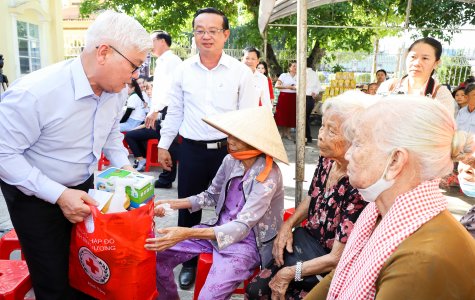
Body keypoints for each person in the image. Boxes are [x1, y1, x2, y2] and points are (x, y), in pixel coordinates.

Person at [0, 11, 151, 299]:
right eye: (134, 66)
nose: (135, 77)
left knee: (87, 273)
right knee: (54, 282)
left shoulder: (116, 91)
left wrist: (127, 173)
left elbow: (110, 135)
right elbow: (4, 155)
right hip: (34, 195)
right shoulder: (36, 93)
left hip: (83, 189)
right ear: (104, 52)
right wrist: (58, 194)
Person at [306, 95, 475, 300]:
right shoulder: (378, 212)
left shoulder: (424, 258)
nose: (349, 154)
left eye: (358, 144)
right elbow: (345, 272)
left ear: (395, 161)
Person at [157, 7, 259, 289]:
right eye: (200, 31)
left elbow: (248, 115)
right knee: (189, 207)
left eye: (213, 31)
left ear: (225, 34)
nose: (206, 36)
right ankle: (188, 262)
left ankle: (227, 257)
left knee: (232, 207)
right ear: (194, 35)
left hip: (230, 153)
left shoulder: (241, 73)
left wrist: (247, 155)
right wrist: (164, 145)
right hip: (191, 150)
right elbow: (174, 110)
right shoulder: (183, 70)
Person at [147, 106, 287, 300]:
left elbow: (242, 227)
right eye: (230, 135)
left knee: (208, 297)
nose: (230, 140)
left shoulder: (269, 175)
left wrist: (186, 232)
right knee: (156, 257)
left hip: (247, 245)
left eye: (237, 137)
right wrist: (171, 203)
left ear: (255, 142)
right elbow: (210, 196)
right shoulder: (230, 160)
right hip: (215, 230)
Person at [246, 92, 369, 300]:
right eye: (321, 126)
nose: (320, 134)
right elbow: (313, 197)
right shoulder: (327, 159)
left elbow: (337, 258)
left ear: (353, 139)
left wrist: (290, 272)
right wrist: (288, 225)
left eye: (331, 130)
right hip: (305, 244)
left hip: (328, 267)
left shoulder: (359, 183)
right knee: (255, 290)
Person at [141, 29, 182, 187]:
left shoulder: (171, 61)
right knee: (166, 143)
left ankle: (167, 178)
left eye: (152, 41)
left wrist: (156, 110)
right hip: (161, 108)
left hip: (168, 108)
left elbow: (169, 89)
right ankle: (166, 177)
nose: (149, 45)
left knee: (170, 144)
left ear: (162, 41)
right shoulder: (162, 61)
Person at [377, 37, 456, 117]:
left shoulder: (441, 95)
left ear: (436, 63)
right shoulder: (389, 86)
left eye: (425, 58)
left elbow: (443, 128)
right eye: (413, 57)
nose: (416, 63)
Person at [274, 61, 297, 140]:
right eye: (293, 66)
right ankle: (281, 132)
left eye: (297, 66)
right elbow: (277, 85)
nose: (295, 67)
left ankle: (288, 132)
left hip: (294, 97)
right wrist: (288, 87)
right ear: (289, 68)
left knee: (291, 115)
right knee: (282, 114)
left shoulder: (299, 76)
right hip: (284, 96)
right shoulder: (284, 75)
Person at [305, 58, 322, 144]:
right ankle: (308, 137)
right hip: (310, 99)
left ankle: (306, 137)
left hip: (304, 98)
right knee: (306, 118)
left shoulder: (303, 73)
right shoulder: (314, 73)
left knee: (303, 119)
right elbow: (319, 87)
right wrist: (315, 93)